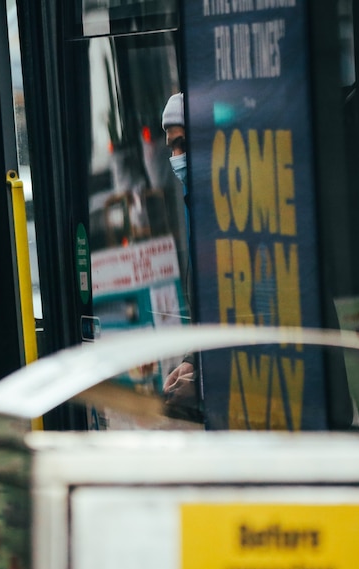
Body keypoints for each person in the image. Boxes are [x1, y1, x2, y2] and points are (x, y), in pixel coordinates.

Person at [160, 92, 202, 422]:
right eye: (172, 148)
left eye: (183, 144)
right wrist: (193, 362)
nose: (176, 157)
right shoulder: (196, 203)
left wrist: (202, 380)